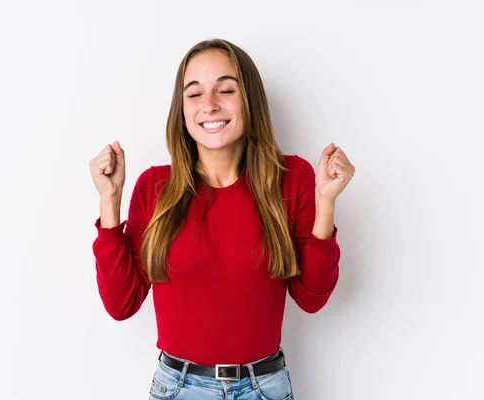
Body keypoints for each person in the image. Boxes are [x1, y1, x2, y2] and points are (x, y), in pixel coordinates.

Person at [88, 38, 355, 400]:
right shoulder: (155, 187)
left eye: (226, 90)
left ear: (250, 101)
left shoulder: (291, 177)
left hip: (266, 388)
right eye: (194, 94)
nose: (210, 105)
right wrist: (110, 202)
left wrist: (325, 203)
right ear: (181, 110)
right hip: (178, 388)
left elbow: (312, 298)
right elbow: (122, 304)